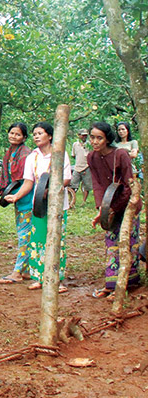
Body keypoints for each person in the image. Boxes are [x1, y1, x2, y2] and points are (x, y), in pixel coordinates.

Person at [4, 122, 71, 293]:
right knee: (38, 239)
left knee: (56, 240)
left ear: (49, 136)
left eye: (40, 133)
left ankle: (57, 280)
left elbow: (67, 179)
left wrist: (51, 188)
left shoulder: (60, 154)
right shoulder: (32, 157)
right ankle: (38, 277)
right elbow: (28, 182)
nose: (36, 136)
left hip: (56, 204)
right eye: (34, 134)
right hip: (38, 204)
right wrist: (16, 196)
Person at [87, 122, 141, 298]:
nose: (95, 141)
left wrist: (113, 208)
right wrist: (101, 209)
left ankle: (127, 282)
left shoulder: (121, 154)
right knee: (111, 244)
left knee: (127, 243)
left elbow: (128, 185)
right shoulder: (91, 157)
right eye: (92, 137)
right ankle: (112, 284)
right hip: (109, 206)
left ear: (108, 139)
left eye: (99, 138)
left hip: (128, 204)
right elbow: (98, 185)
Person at [0, 123, 33, 284]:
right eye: (11, 133)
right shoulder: (9, 153)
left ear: (24, 137)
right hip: (16, 197)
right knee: (24, 233)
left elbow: (25, 179)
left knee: (25, 235)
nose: (13, 136)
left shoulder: (26, 155)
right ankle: (27, 270)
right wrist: (0, 189)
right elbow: (6, 179)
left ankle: (17, 272)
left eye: (17, 134)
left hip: (27, 197)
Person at [70, 128, 92, 203]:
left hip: (86, 167)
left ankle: (84, 201)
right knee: (73, 184)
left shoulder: (89, 144)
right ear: (79, 135)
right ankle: (71, 200)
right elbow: (73, 155)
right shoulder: (75, 145)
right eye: (82, 135)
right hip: (77, 167)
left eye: (85, 135)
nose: (84, 137)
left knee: (86, 186)